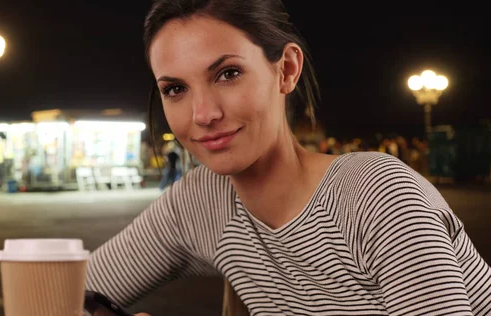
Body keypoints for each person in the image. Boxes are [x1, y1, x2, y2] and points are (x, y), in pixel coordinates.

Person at [85, 0, 491, 315]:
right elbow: (64, 290)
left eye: (228, 74)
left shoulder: (374, 195)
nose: (203, 114)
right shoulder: (201, 204)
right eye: (175, 89)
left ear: (286, 70)